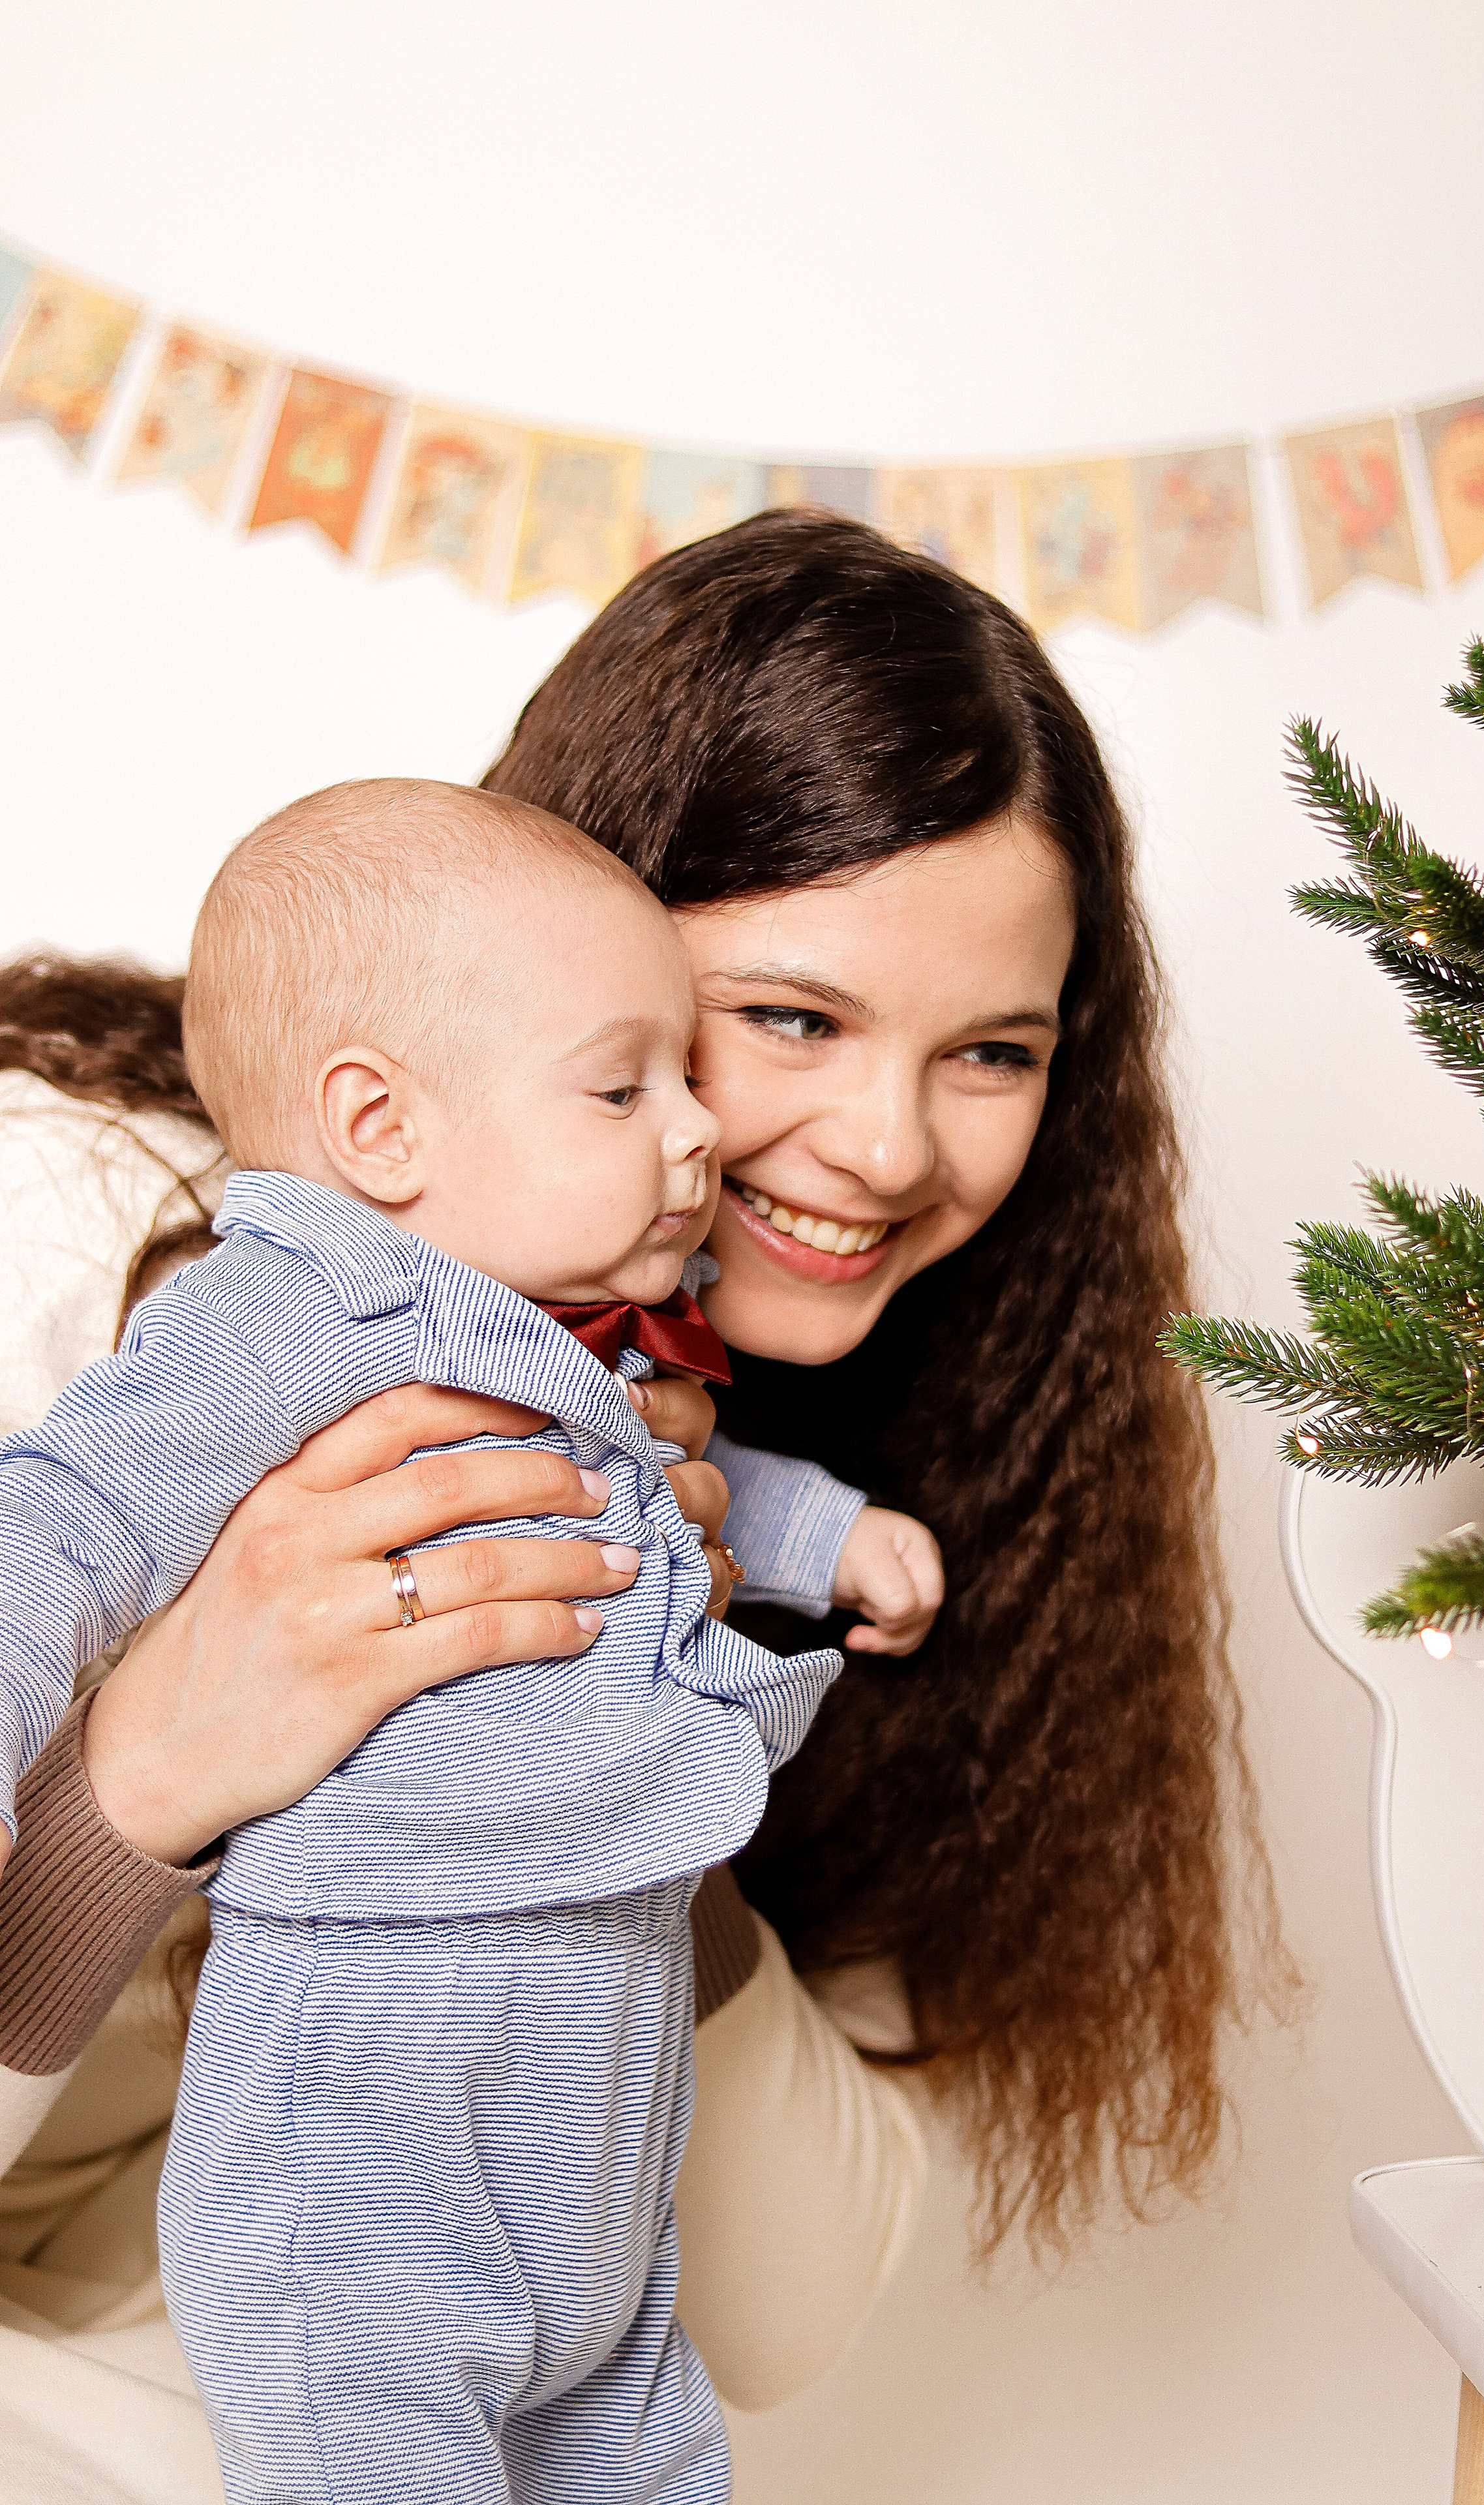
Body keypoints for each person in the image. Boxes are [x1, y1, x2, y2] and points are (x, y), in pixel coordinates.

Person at [0, 511, 1286, 2502]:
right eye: (786, 1017)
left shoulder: (878, 1466)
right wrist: (148, 1766)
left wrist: (616, 1744)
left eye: (994, 1053)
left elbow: (778, 2309)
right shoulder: (100, 1245)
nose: (878, 1145)